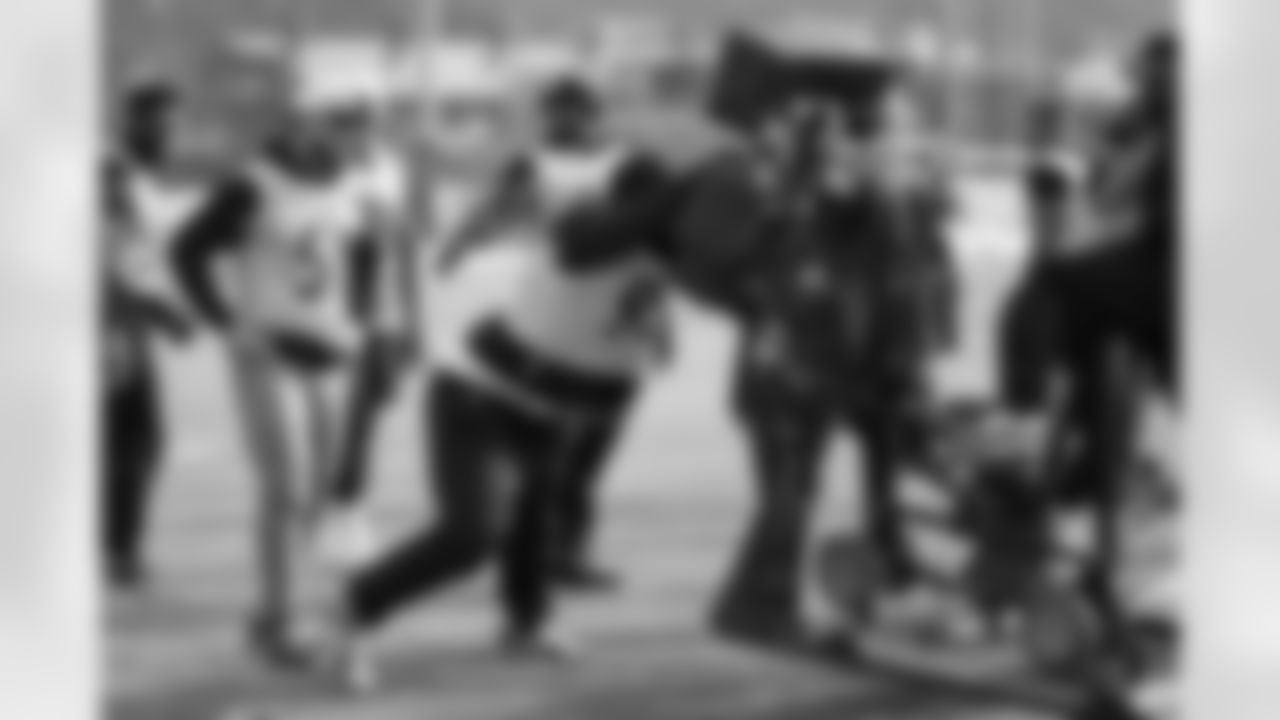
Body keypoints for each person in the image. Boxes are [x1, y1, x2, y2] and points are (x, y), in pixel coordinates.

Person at [317, 129, 680, 692]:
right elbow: (582, 244)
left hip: (550, 411)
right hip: (478, 400)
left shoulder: (655, 254)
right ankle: (353, 607)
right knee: (474, 534)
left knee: (534, 523)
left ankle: (526, 622)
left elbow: (654, 323)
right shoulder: (583, 226)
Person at [172, 50, 413, 667]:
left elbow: (367, 255)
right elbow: (186, 251)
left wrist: (366, 326)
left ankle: (334, 615)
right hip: (269, 351)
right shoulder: (254, 182)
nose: (357, 133)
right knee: (284, 489)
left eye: (364, 121)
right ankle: (274, 620)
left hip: (333, 352)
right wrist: (227, 325)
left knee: (333, 495)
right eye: (343, 121)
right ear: (309, 121)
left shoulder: (363, 178)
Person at [441, 76, 672, 593]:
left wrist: (660, 323)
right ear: (547, 116)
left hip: (621, 318)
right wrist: (460, 242)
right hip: (558, 318)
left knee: (590, 451)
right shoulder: (533, 164)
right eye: (558, 113)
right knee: (555, 451)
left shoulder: (633, 166)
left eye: (579, 112)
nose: (568, 122)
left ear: (598, 113)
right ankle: (550, 552)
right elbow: (495, 206)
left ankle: (560, 549)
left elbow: (657, 249)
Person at [102, 80, 196, 589]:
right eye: (166, 125)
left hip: (125, 320)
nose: (174, 135)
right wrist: (157, 313)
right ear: (140, 123)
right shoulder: (115, 175)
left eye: (177, 124)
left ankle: (116, 550)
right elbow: (103, 253)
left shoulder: (136, 176)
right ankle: (119, 553)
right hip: (108, 322)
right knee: (135, 439)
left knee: (131, 440)